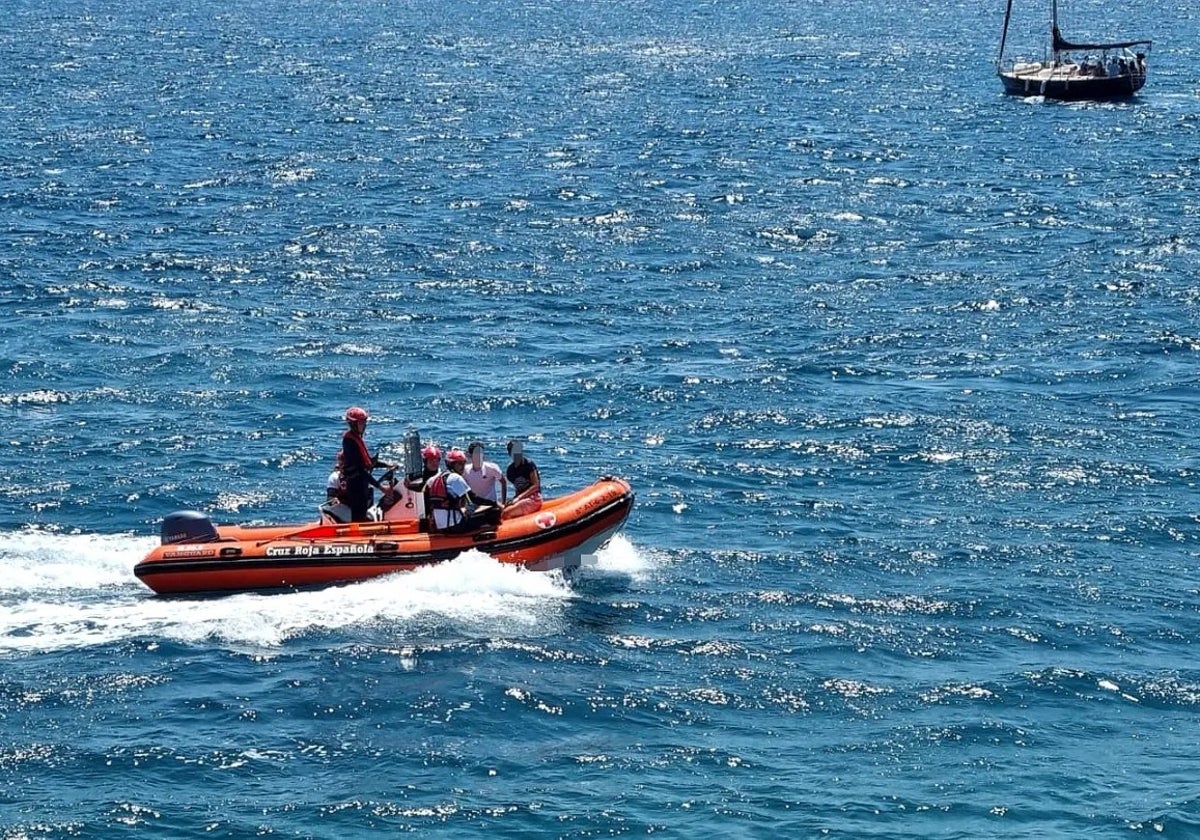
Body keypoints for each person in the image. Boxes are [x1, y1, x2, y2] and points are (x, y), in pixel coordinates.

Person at [426, 448, 500, 534]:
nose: (462, 467)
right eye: (459, 464)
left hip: (441, 526)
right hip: (456, 526)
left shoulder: (435, 478)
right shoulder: (456, 478)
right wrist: (494, 503)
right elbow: (472, 499)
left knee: (469, 511)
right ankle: (483, 535)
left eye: (464, 463)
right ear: (451, 464)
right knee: (493, 512)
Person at [340, 406, 386, 522]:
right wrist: (380, 487)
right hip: (356, 485)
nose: (364, 425)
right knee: (359, 517)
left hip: (363, 485)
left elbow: (368, 462)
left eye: (364, 422)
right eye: (361, 423)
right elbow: (360, 469)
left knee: (363, 513)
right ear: (353, 424)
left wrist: (388, 465)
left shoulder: (357, 439)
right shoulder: (349, 441)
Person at [502, 439, 542, 520]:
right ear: (510, 454)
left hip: (534, 498)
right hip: (521, 498)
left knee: (506, 513)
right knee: (501, 511)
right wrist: (513, 500)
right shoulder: (510, 470)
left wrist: (518, 498)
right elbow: (518, 488)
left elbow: (536, 486)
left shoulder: (529, 464)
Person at [463, 440, 507, 506]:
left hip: (490, 503)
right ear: (470, 455)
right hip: (474, 504)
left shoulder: (492, 468)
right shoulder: (465, 470)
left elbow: (503, 482)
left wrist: (503, 502)